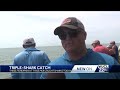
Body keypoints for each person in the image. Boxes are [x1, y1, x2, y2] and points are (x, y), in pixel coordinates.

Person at [40, 17, 120, 79]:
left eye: (73, 33)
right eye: (62, 35)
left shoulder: (109, 62)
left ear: (84, 35)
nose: (67, 38)